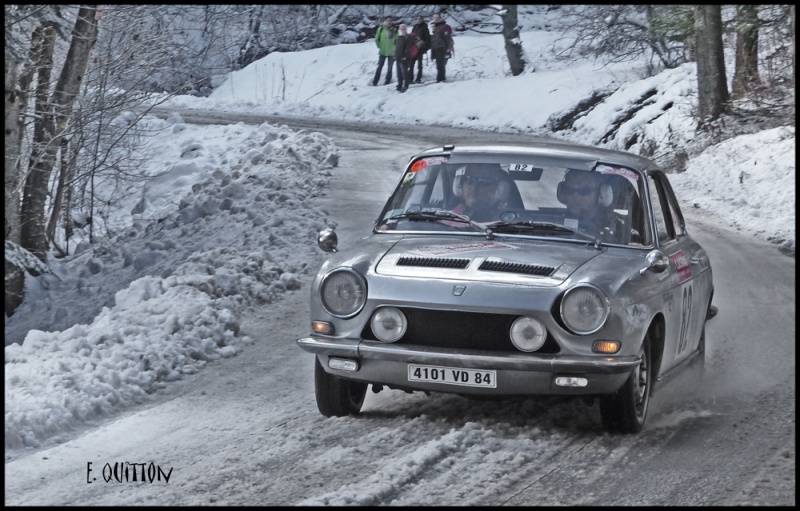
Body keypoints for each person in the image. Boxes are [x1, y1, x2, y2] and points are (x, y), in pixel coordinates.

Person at [558, 169, 622, 239]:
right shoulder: (553, 224)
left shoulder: (617, 228)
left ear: (601, 193)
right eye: (569, 190)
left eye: (584, 191)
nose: (575, 198)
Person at [372, 16, 398, 86]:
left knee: (390, 67)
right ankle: (375, 81)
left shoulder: (395, 30)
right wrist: (379, 46)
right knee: (379, 67)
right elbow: (377, 38)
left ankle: (387, 81)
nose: (389, 22)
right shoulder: (380, 29)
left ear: (392, 22)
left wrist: (395, 49)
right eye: (388, 20)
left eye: (390, 21)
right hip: (382, 52)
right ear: (385, 21)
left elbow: (397, 40)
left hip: (391, 52)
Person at [429, 12, 453, 83]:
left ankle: (441, 79)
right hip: (436, 47)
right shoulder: (435, 26)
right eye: (434, 18)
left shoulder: (444, 26)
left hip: (442, 47)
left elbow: (447, 37)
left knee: (441, 64)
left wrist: (449, 47)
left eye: (437, 17)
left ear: (440, 18)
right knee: (439, 64)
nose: (435, 19)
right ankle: (440, 78)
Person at [394, 24, 416, 92]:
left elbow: (408, 48)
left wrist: (405, 56)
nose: (402, 30)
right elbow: (397, 47)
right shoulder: (399, 37)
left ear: (406, 29)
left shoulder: (408, 37)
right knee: (399, 73)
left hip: (404, 58)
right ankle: (399, 85)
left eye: (403, 28)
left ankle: (406, 85)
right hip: (398, 57)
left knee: (405, 72)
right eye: (401, 28)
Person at [411, 15, 431, 83]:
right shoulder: (415, 26)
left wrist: (423, 44)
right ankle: (410, 78)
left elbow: (427, 39)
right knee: (411, 63)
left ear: (422, 19)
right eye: (417, 19)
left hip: (421, 48)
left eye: (420, 19)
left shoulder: (425, 27)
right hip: (414, 47)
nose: (419, 20)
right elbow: (412, 35)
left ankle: (418, 78)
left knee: (420, 63)